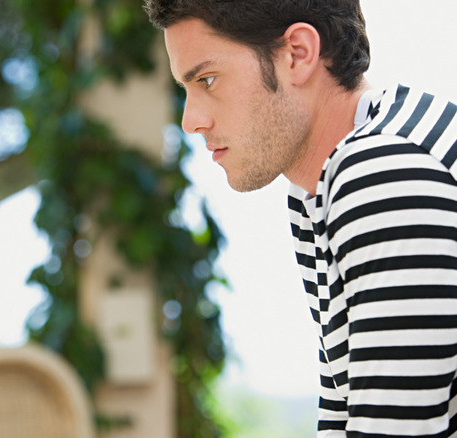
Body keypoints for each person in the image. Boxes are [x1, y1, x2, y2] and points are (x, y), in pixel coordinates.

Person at [145, 1, 457, 436]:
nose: (190, 120)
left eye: (208, 80)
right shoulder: (317, 187)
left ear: (297, 53)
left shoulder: (383, 172)